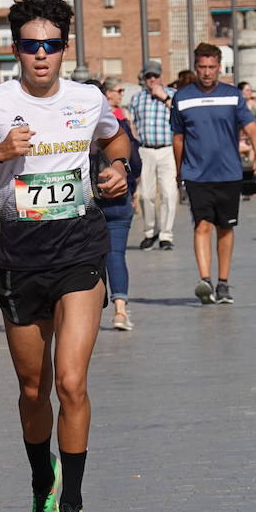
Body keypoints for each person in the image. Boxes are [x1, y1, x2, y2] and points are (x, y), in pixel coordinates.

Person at [0, 0, 130, 512]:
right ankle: (39, 480)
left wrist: (118, 167)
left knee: (71, 382)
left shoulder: (87, 98)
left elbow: (115, 139)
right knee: (33, 388)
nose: (41, 55)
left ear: (64, 49)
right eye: (30, 45)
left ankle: (71, 504)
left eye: (51, 45)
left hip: (79, 251)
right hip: (20, 260)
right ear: (15, 49)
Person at [172, 43, 256, 305]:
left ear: (219, 67)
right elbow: (178, 138)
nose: (207, 72)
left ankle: (223, 282)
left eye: (212, 67)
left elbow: (253, 129)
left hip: (228, 173)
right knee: (202, 225)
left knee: (225, 228)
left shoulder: (233, 95)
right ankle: (205, 280)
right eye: (202, 67)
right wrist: (179, 171)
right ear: (195, 67)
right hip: (196, 173)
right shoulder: (183, 97)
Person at [93, 79, 140, 330]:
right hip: (119, 199)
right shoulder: (120, 126)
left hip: (88, 202)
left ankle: (90, 311)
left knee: (91, 259)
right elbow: (137, 163)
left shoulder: (74, 132)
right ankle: (120, 310)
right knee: (116, 255)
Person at [125, 62, 178, 250]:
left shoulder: (172, 95)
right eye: (149, 76)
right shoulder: (137, 98)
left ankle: (166, 234)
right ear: (144, 78)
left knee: (168, 193)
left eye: (155, 76)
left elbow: (181, 116)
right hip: (145, 149)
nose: (152, 80)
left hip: (167, 149)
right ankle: (150, 231)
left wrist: (164, 98)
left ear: (161, 76)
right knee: (145, 194)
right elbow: (131, 122)